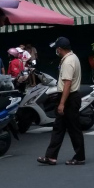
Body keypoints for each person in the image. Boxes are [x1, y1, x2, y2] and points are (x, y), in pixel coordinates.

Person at [37, 37, 85, 166]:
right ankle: (51, 156)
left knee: (74, 129)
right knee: (58, 127)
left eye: (56, 49)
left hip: (69, 97)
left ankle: (79, 157)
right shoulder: (72, 57)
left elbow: (67, 83)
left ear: (59, 49)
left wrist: (62, 103)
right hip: (68, 96)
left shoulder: (68, 61)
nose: (56, 51)